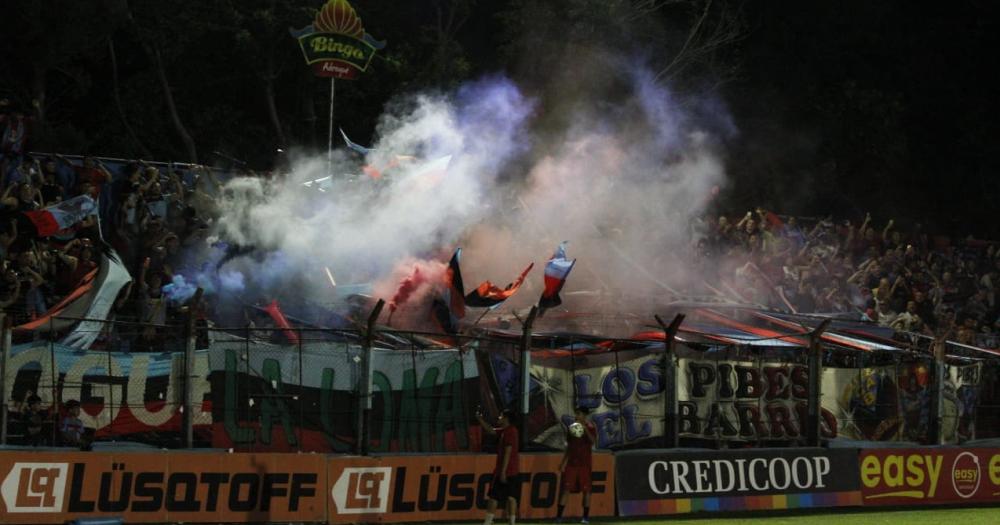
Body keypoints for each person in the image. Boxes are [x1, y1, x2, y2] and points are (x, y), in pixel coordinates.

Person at [476, 407, 519, 525]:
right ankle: (512, 522)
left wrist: (503, 471)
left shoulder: (509, 432)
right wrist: (480, 419)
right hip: (513, 471)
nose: (499, 418)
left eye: (501, 416)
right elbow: (491, 430)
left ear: (506, 419)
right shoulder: (507, 431)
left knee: (494, 496)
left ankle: (488, 521)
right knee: (511, 496)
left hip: (505, 470)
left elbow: (508, 451)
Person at [557, 407, 597, 524]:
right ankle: (559, 517)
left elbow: (592, 441)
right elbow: (569, 446)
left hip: (585, 465)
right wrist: (563, 462)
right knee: (565, 490)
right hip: (572, 464)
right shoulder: (572, 428)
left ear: (584, 415)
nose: (576, 416)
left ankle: (585, 518)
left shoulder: (590, 427)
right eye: (576, 414)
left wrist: (585, 429)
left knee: (586, 491)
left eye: (578, 414)